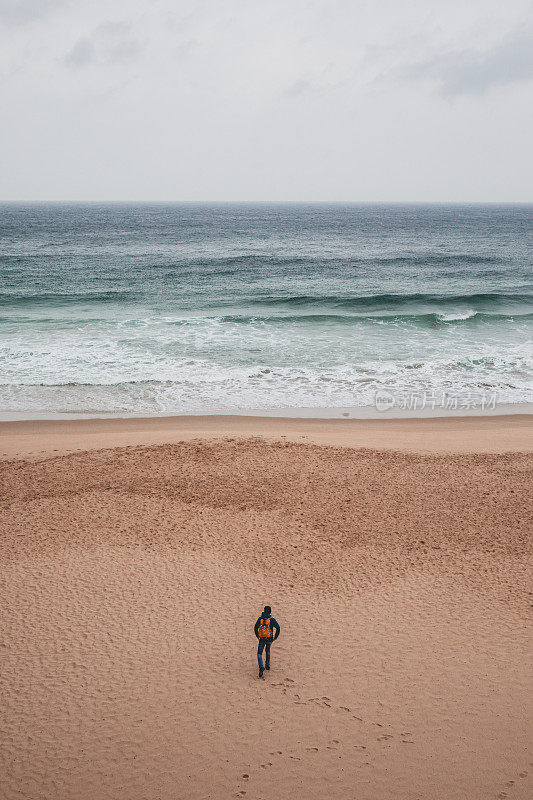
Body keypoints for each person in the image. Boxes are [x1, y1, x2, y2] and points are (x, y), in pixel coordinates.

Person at [254, 605, 280, 678]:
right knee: (267, 650)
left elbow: (255, 627)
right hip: (269, 638)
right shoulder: (272, 620)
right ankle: (267, 665)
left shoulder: (260, 619)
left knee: (259, 653)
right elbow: (278, 628)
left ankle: (261, 666)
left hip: (261, 638)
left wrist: (258, 636)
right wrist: (275, 637)